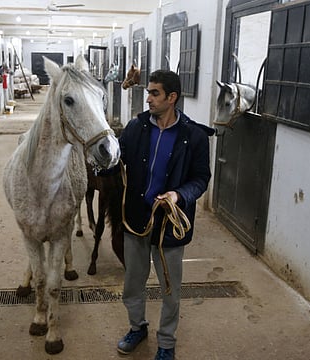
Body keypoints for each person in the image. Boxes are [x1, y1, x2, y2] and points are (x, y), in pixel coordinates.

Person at [116, 70, 214, 360]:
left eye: (155, 93)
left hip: (169, 224)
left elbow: (201, 179)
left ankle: (167, 343)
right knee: (133, 281)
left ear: (172, 98)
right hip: (136, 218)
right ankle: (137, 327)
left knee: (169, 289)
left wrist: (178, 195)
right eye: (148, 92)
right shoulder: (136, 128)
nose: (148, 98)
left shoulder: (194, 136)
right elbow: (118, 160)